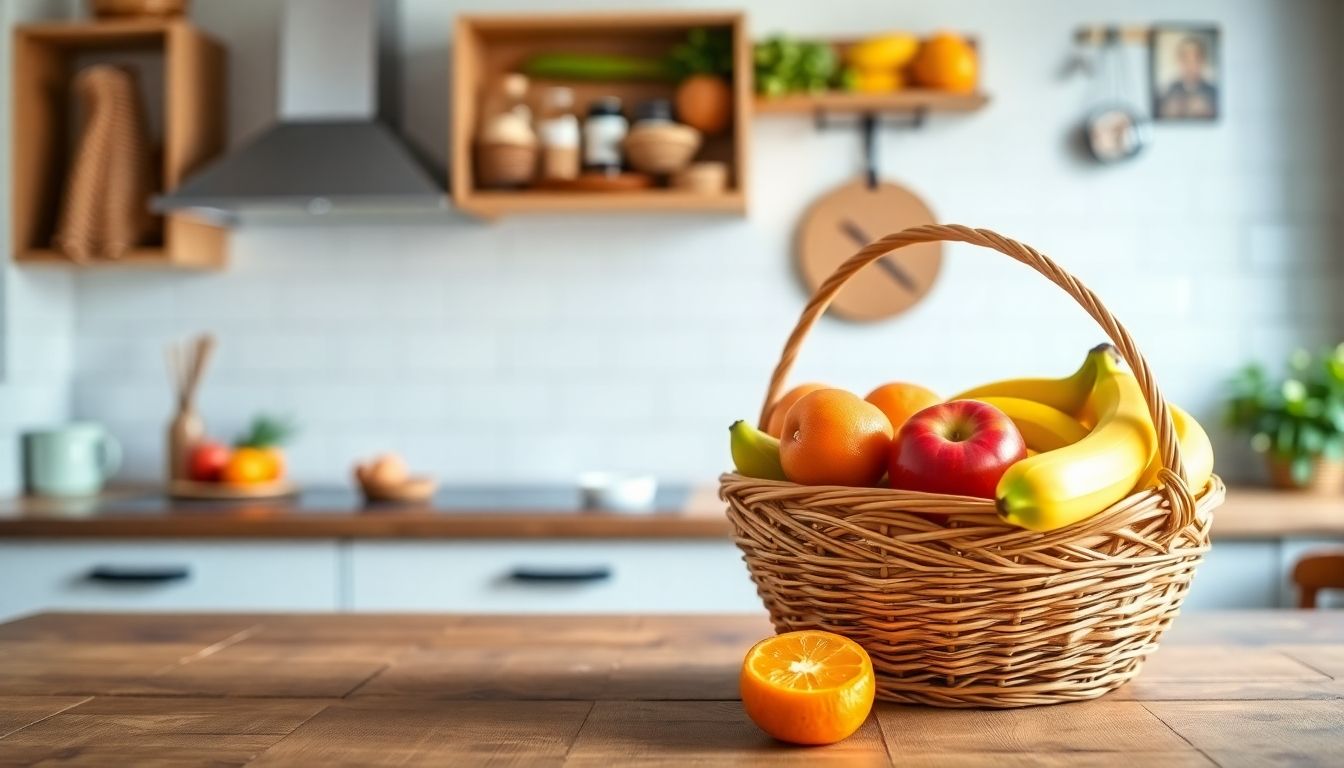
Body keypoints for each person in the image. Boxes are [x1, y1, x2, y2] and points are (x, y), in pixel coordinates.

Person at [1158, 35, 1217, 119]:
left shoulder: (1213, 93)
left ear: (1202, 61)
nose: (1190, 64)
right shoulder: (1169, 92)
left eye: (1195, 59)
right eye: (1185, 58)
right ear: (1179, 61)